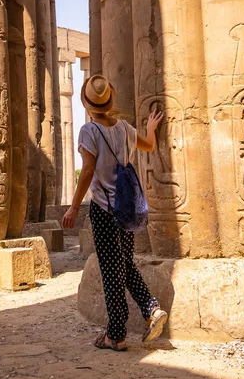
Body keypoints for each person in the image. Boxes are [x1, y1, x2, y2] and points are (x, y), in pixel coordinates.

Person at [62, 74, 167, 352]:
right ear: (110, 101)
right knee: (124, 264)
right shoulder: (124, 128)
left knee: (111, 270)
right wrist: (151, 127)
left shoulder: (89, 131)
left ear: (86, 104)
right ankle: (151, 309)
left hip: (104, 209)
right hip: (126, 207)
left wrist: (74, 207)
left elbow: (87, 171)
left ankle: (116, 335)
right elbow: (148, 145)